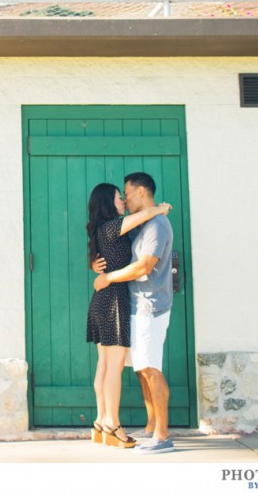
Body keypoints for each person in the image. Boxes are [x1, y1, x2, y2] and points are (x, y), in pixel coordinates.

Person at [93, 172, 176, 454]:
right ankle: (152, 426)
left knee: (150, 369)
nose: (125, 200)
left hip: (150, 306)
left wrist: (108, 278)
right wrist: (98, 267)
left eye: (126, 193)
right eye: (121, 196)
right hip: (133, 306)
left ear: (141, 191)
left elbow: (143, 267)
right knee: (141, 369)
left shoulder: (157, 225)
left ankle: (162, 436)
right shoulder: (137, 224)